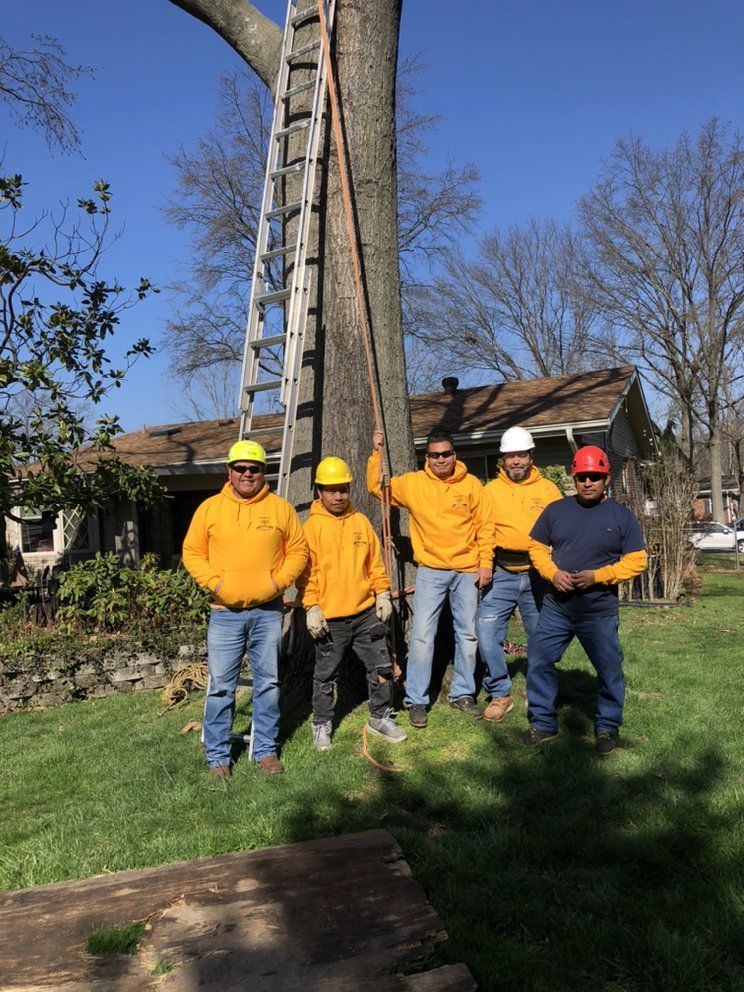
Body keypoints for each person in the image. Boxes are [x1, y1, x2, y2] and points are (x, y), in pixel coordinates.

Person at [182, 440, 308, 777]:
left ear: (262, 472)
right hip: (224, 613)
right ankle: (218, 756)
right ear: (230, 471)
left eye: (254, 469)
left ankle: (265, 751)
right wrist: (217, 584)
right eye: (240, 468)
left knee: (268, 683)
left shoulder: (280, 509)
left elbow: (298, 550)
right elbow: (192, 552)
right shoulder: (209, 509)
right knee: (222, 684)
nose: (247, 474)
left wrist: (277, 583)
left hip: (268, 611)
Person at [521, 446, 647, 754]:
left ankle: (606, 728)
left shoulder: (621, 516)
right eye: (582, 477)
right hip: (557, 608)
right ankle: (543, 724)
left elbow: (637, 560)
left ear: (606, 479)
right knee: (539, 661)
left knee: (609, 671)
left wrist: (599, 576)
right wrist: (552, 573)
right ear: (574, 478)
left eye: (594, 476)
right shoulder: (556, 510)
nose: (587, 482)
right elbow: (536, 546)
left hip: (597, 611)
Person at [367, 429, 492, 728]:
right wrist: (377, 453)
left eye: (446, 453)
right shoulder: (413, 484)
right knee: (423, 635)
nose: (440, 459)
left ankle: (463, 694)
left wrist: (485, 563)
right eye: (434, 455)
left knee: (467, 634)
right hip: (430, 571)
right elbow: (377, 488)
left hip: (466, 570)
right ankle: (417, 701)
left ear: (454, 455)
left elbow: (486, 527)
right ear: (427, 458)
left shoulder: (473, 486)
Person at [297, 456, 405, 751]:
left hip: (365, 613)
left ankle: (380, 717)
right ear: (318, 491)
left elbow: (375, 564)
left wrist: (382, 592)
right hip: (330, 619)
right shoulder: (311, 528)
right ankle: (321, 724)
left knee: (381, 667)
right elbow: (308, 574)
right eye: (331, 490)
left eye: (342, 489)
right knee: (325, 677)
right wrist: (312, 607)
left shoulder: (360, 522)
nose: (338, 495)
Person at [477, 427, 562, 722]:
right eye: (511, 455)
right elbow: (484, 533)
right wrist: (485, 563)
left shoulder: (549, 491)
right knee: (486, 633)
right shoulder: (490, 491)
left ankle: (538, 695)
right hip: (500, 572)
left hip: (538, 574)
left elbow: (561, 531)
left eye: (521, 455)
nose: (516, 461)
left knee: (542, 636)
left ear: (530, 456)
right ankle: (500, 693)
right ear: (503, 458)